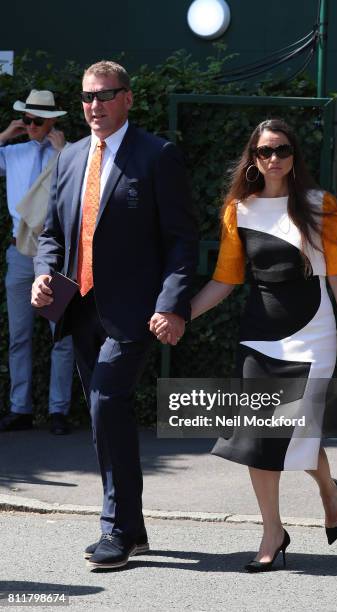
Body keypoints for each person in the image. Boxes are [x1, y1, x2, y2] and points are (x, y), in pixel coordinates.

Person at [154, 118, 337, 572]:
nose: (274, 158)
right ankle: (273, 531)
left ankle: (330, 492)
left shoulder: (319, 205)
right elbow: (225, 280)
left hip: (313, 337)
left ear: (295, 157)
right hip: (259, 339)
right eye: (266, 151)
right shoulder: (239, 209)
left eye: (283, 150)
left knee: (300, 436)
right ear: (253, 158)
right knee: (259, 437)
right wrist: (180, 315)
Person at [31, 61, 198, 569]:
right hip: (79, 307)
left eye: (104, 96)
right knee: (108, 415)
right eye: (86, 98)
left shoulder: (158, 155)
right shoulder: (71, 157)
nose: (94, 106)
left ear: (128, 98)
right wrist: (43, 273)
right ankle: (133, 527)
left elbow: (181, 242)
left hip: (134, 313)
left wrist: (172, 305)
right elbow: (52, 235)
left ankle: (117, 530)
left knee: (106, 401)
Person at [0, 90, 74, 435]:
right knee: (19, 335)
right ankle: (21, 408)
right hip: (19, 253)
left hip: (57, 254)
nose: (31, 126)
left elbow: (84, 189)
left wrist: (62, 153)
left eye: (38, 121)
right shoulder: (12, 152)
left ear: (53, 122)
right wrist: (4, 135)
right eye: (27, 119)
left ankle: (58, 410)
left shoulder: (70, 154)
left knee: (61, 334)